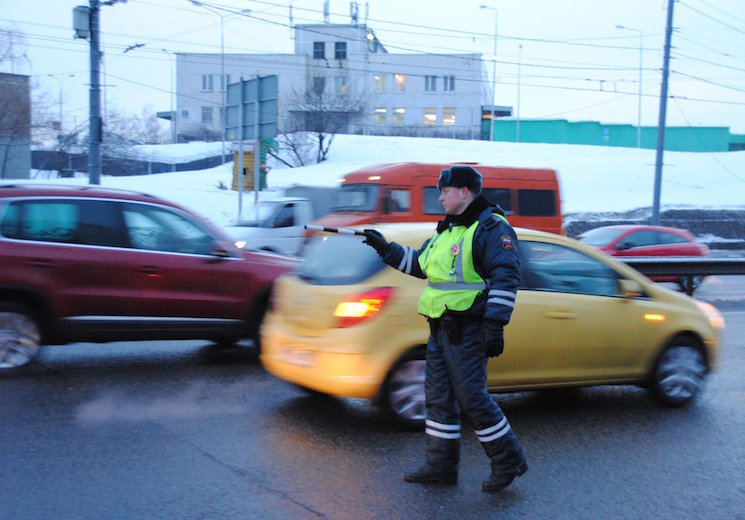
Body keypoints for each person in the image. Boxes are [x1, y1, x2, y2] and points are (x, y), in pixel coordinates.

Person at [362, 165, 527, 492]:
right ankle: (441, 466)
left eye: (445, 191)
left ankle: (508, 460)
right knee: (437, 399)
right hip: (439, 329)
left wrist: (495, 325)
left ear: (464, 192)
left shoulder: (491, 228)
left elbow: (507, 275)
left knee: (473, 400)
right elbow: (421, 265)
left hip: (469, 330)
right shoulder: (447, 231)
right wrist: (386, 249)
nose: (440, 197)